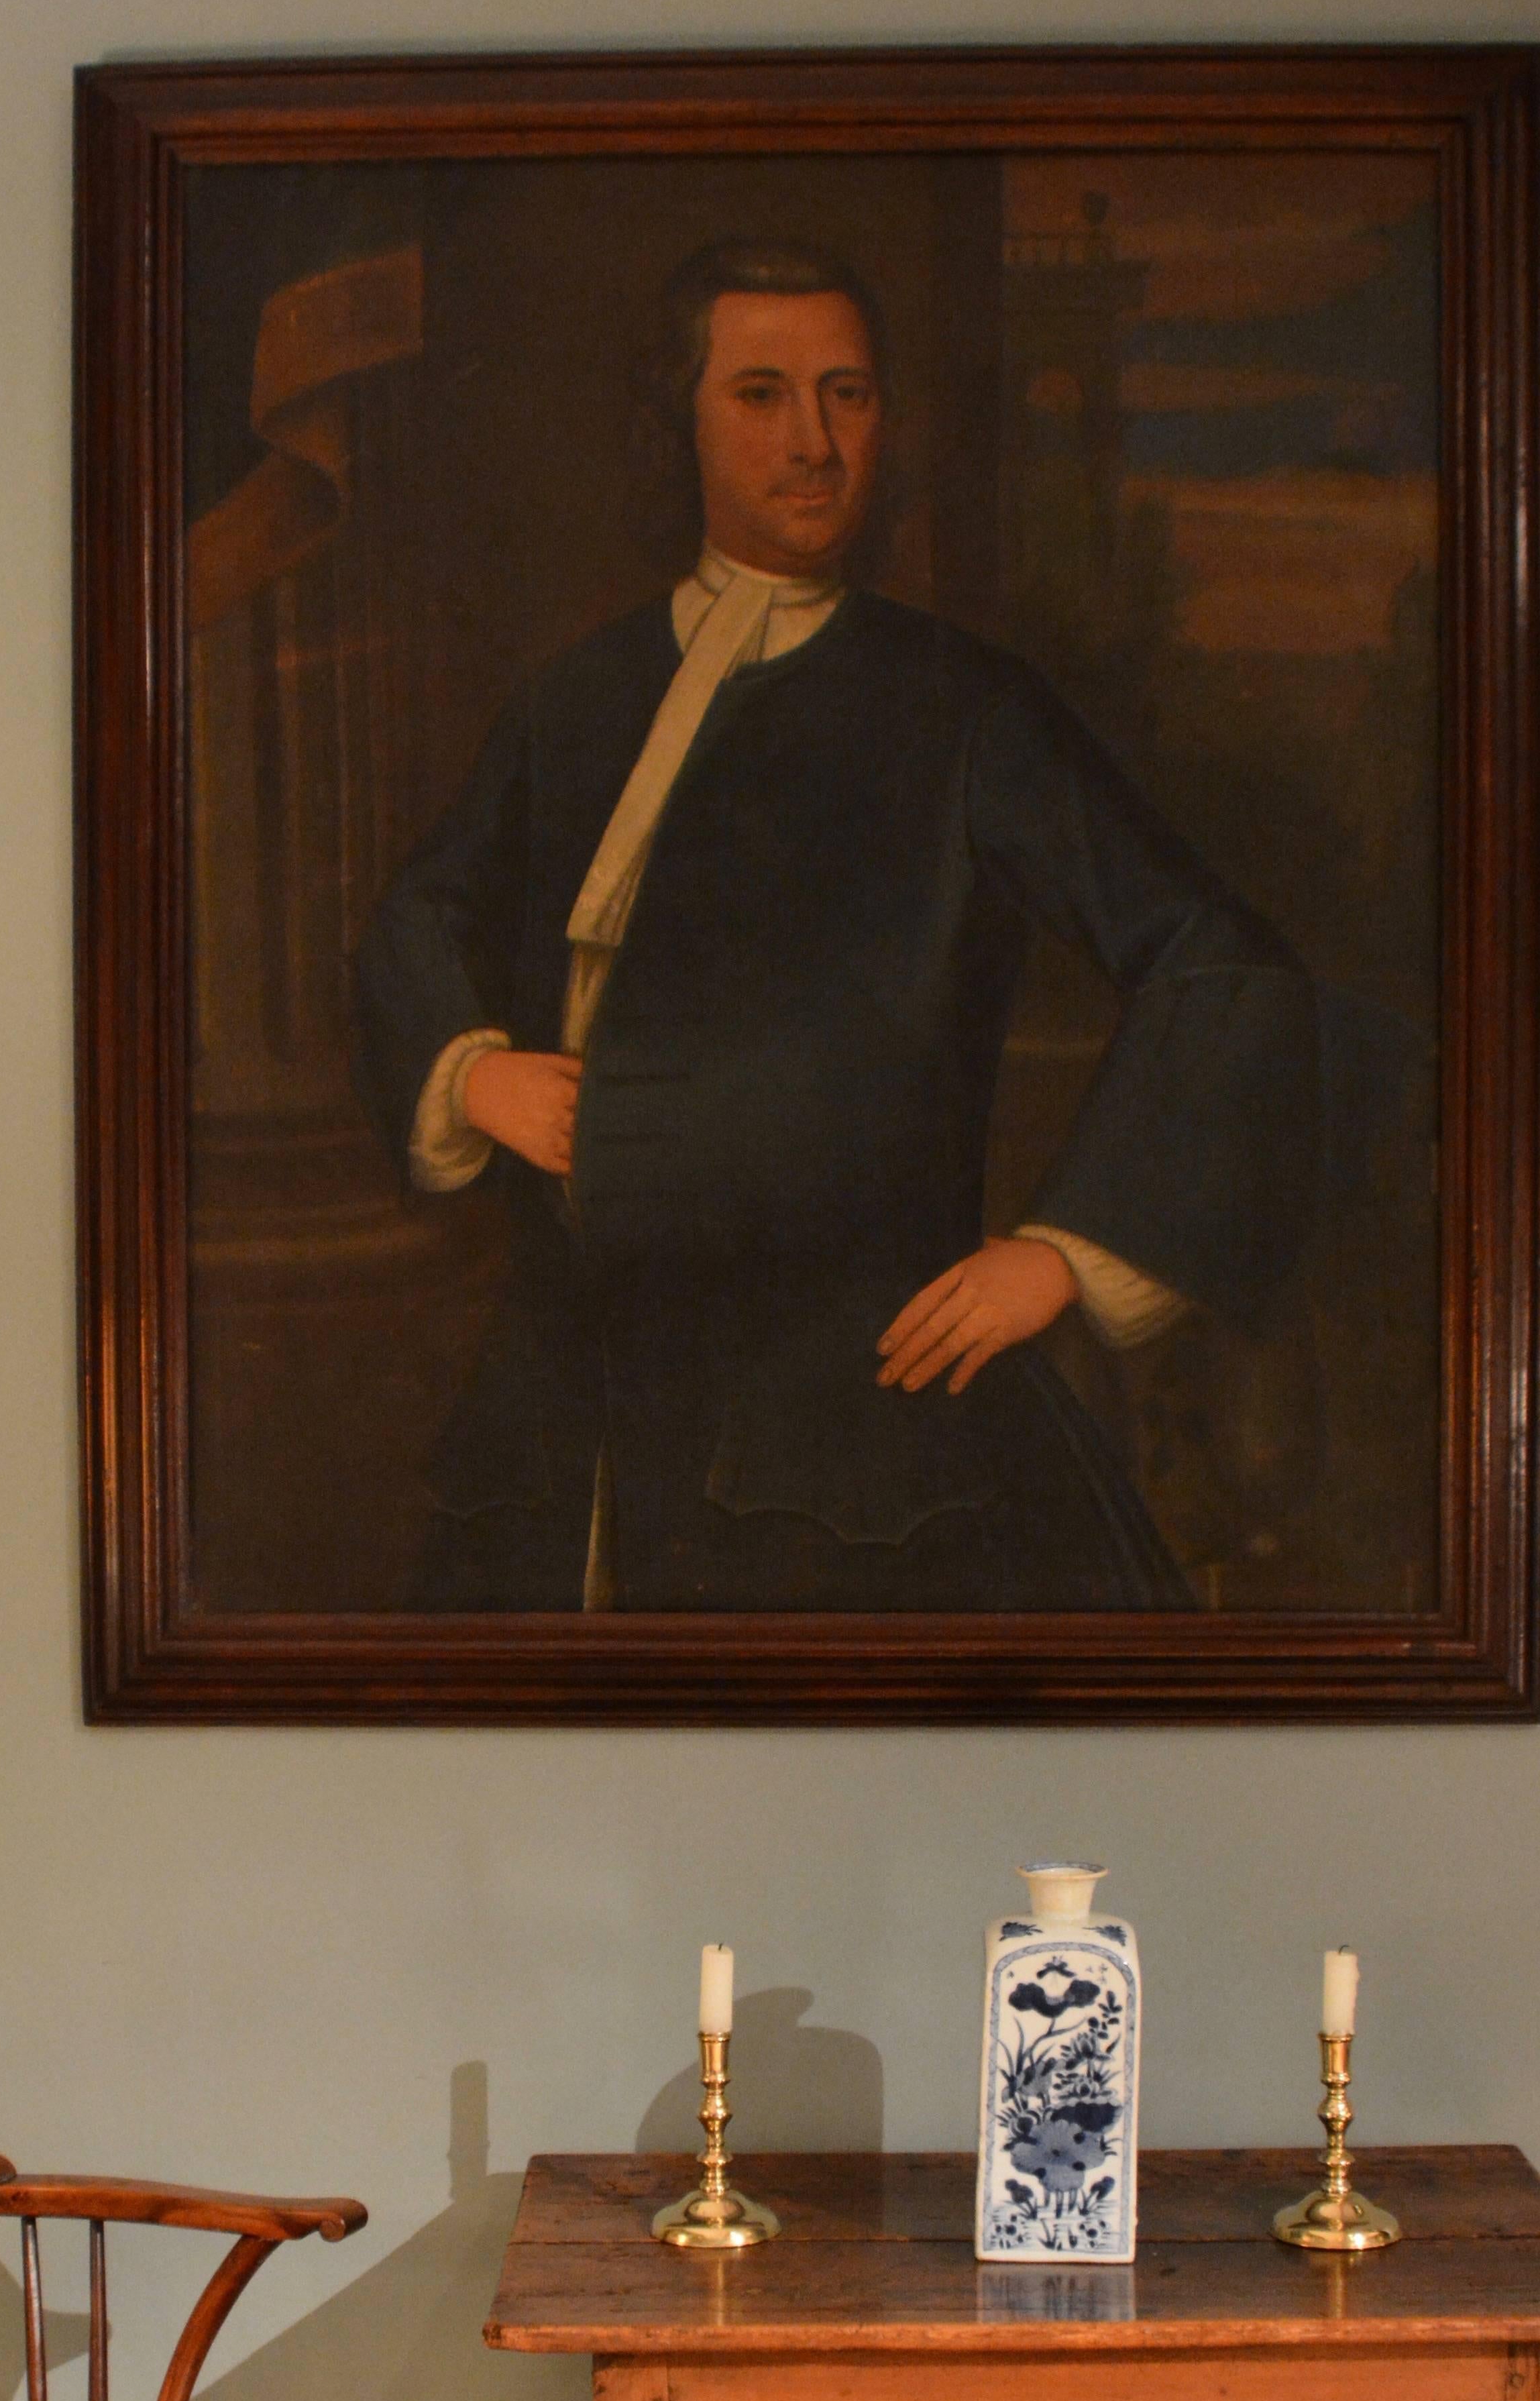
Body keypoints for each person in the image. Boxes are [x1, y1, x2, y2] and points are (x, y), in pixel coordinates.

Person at [353, 237, 1319, 1611]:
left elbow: (1225, 966)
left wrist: (1060, 1252)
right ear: (677, 422)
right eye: (759, 394)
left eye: (846, 395)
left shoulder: (966, 710)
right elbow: (411, 918)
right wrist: (471, 1071)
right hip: (566, 1429)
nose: (811, 443)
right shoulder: (574, 700)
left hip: (853, 1441)